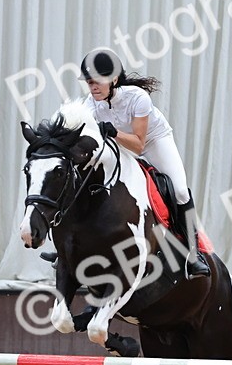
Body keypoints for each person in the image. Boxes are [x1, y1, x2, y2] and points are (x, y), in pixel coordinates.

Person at [79, 47, 209, 279]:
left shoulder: (137, 97)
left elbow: (139, 145)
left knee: (180, 190)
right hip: (120, 145)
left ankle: (193, 254)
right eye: (90, 83)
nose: (93, 87)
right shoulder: (90, 105)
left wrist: (113, 132)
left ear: (114, 80)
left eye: (98, 82)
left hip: (153, 141)